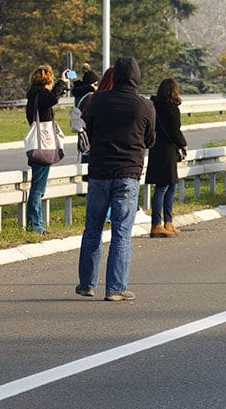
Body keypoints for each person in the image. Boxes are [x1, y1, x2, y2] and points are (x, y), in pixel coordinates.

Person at [76, 57, 156, 301]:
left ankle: (87, 284)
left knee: (92, 230)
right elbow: (150, 138)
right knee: (121, 232)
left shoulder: (96, 100)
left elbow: (88, 127)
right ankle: (115, 288)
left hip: (99, 171)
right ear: (137, 77)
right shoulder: (144, 106)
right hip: (128, 174)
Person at [24, 65, 68, 235]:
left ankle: (36, 224)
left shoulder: (34, 96)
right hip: (42, 146)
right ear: (47, 81)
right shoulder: (41, 96)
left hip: (38, 144)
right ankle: (35, 225)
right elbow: (53, 99)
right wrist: (62, 82)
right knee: (38, 189)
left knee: (38, 188)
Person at [145, 78, 187, 237]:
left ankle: (167, 223)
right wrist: (183, 144)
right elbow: (175, 131)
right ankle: (158, 224)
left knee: (169, 185)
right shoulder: (172, 109)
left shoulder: (153, 107)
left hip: (156, 148)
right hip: (168, 150)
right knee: (165, 187)